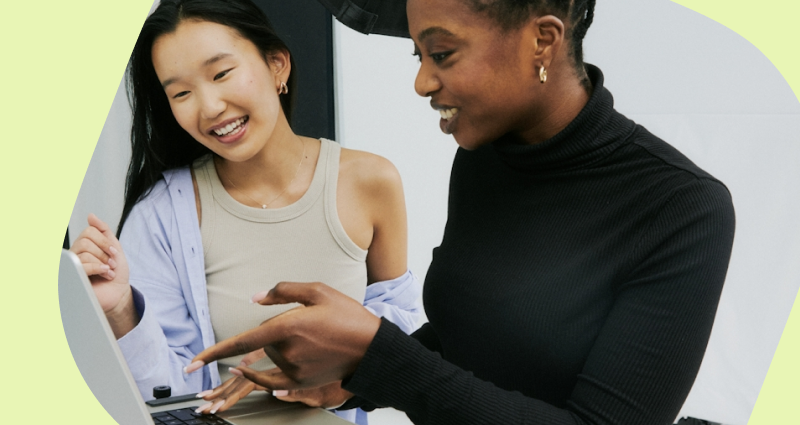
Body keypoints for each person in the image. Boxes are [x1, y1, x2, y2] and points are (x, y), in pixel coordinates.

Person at [187, 0, 737, 424]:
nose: (422, 81)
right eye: (418, 56)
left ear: (542, 39)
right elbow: (470, 341)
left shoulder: (681, 208)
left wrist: (379, 355)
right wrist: (355, 376)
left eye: (442, 54)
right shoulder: (485, 156)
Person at [67, 0, 422, 424]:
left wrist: (306, 353)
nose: (210, 106)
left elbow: (408, 342)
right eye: (181, 93)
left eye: (221, 73)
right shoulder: (160, 214)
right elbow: (164, 400)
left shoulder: (370, 181)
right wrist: (121, 309)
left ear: (277, 65)